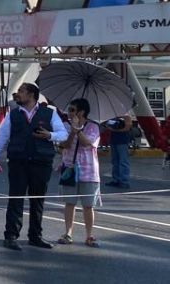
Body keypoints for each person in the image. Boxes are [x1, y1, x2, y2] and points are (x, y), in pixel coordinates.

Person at [0, 82, 68, 251]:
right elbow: (3, 135)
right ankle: (11, 236)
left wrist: (50, 135)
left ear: (32, 94)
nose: (18, 94)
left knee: (37, 200)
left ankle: (35, 236)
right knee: (16, 199)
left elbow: (63, 134)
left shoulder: (50, 113)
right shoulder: (14, 114)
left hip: (41, 162)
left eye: (21, 91)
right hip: (18, 161)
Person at [57, 98, 102, 248]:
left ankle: (89, 235)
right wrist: (72, 131)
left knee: (88, 205)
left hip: (89, 171)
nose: (68, 113)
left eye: (72, 110)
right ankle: (68, 233)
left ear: (81, 112)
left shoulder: (93, 127)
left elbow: (87, 143)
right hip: (70, 168)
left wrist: (78, 130)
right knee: (69, 203)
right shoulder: (64, 125)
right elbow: (65, 145)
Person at [104, 113, 132, 189]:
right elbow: (107, 125)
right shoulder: (113, 116)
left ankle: (124, 181)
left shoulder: (126, 116)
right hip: (114, 140)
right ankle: (116, 179)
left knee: (123, 161)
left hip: (122, 141)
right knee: (115, 161)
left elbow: (127, 127)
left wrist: (114, 129)